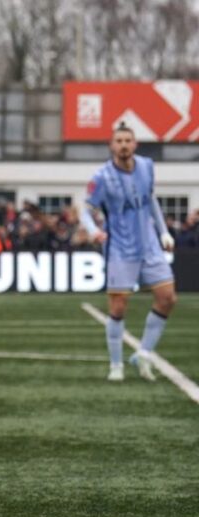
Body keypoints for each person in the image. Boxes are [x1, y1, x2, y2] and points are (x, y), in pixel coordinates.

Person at [80, 124, 176, 382]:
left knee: (167, 298)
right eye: (119, 140)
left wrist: (163, 231)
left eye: (128, 140)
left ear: (135, 144)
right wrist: (93, 230)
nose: (123, 145)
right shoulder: (102, 177)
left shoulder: (147, 166)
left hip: (150, 246)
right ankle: (116, 365)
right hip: (120, 248)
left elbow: (150, 199)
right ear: (112, 146)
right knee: (119, 305)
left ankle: (143, 354)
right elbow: (85, 210)